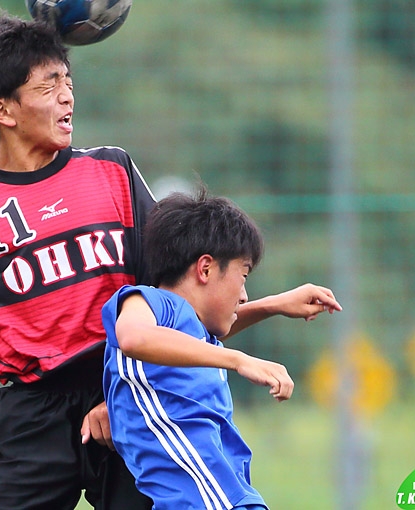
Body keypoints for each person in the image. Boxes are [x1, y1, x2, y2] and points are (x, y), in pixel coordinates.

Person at [0, 12, 341, 510]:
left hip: (131, 397)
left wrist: (120, 393)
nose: (66, 96)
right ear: (4, 110)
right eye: (47, 86)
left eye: (67, 80)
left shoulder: (113, 173)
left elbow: (171, 316)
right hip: (33, 414)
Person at [102, 187, 341, 510]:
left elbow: (196, 337)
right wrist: (239, 360)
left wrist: (273, 305)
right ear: (205, 269)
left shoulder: (189, 331)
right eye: (243, 276)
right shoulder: (145, 301)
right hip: (203, 498)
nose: (243, 295)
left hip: (226, 490)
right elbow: (135, 338)